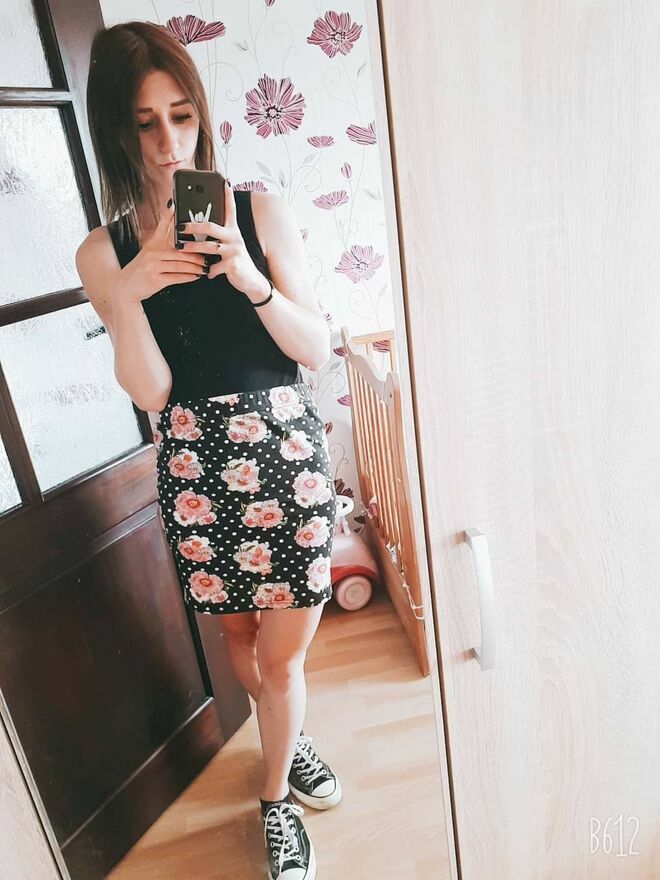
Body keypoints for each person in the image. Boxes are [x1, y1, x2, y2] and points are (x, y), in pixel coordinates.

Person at [75, 20, 341, 880]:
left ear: (201, 113)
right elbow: (153, 394)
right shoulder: (103, 254)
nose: (168, 142)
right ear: (115, 132)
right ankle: (289, 740)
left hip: (285, 456)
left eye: (181, 116)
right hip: (195, 471)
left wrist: (249, 279)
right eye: (144, 123)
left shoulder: (260, 212)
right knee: (241, 638)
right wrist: (129, 295)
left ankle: (274, 801)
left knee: (283, 655)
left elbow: (316, 349)